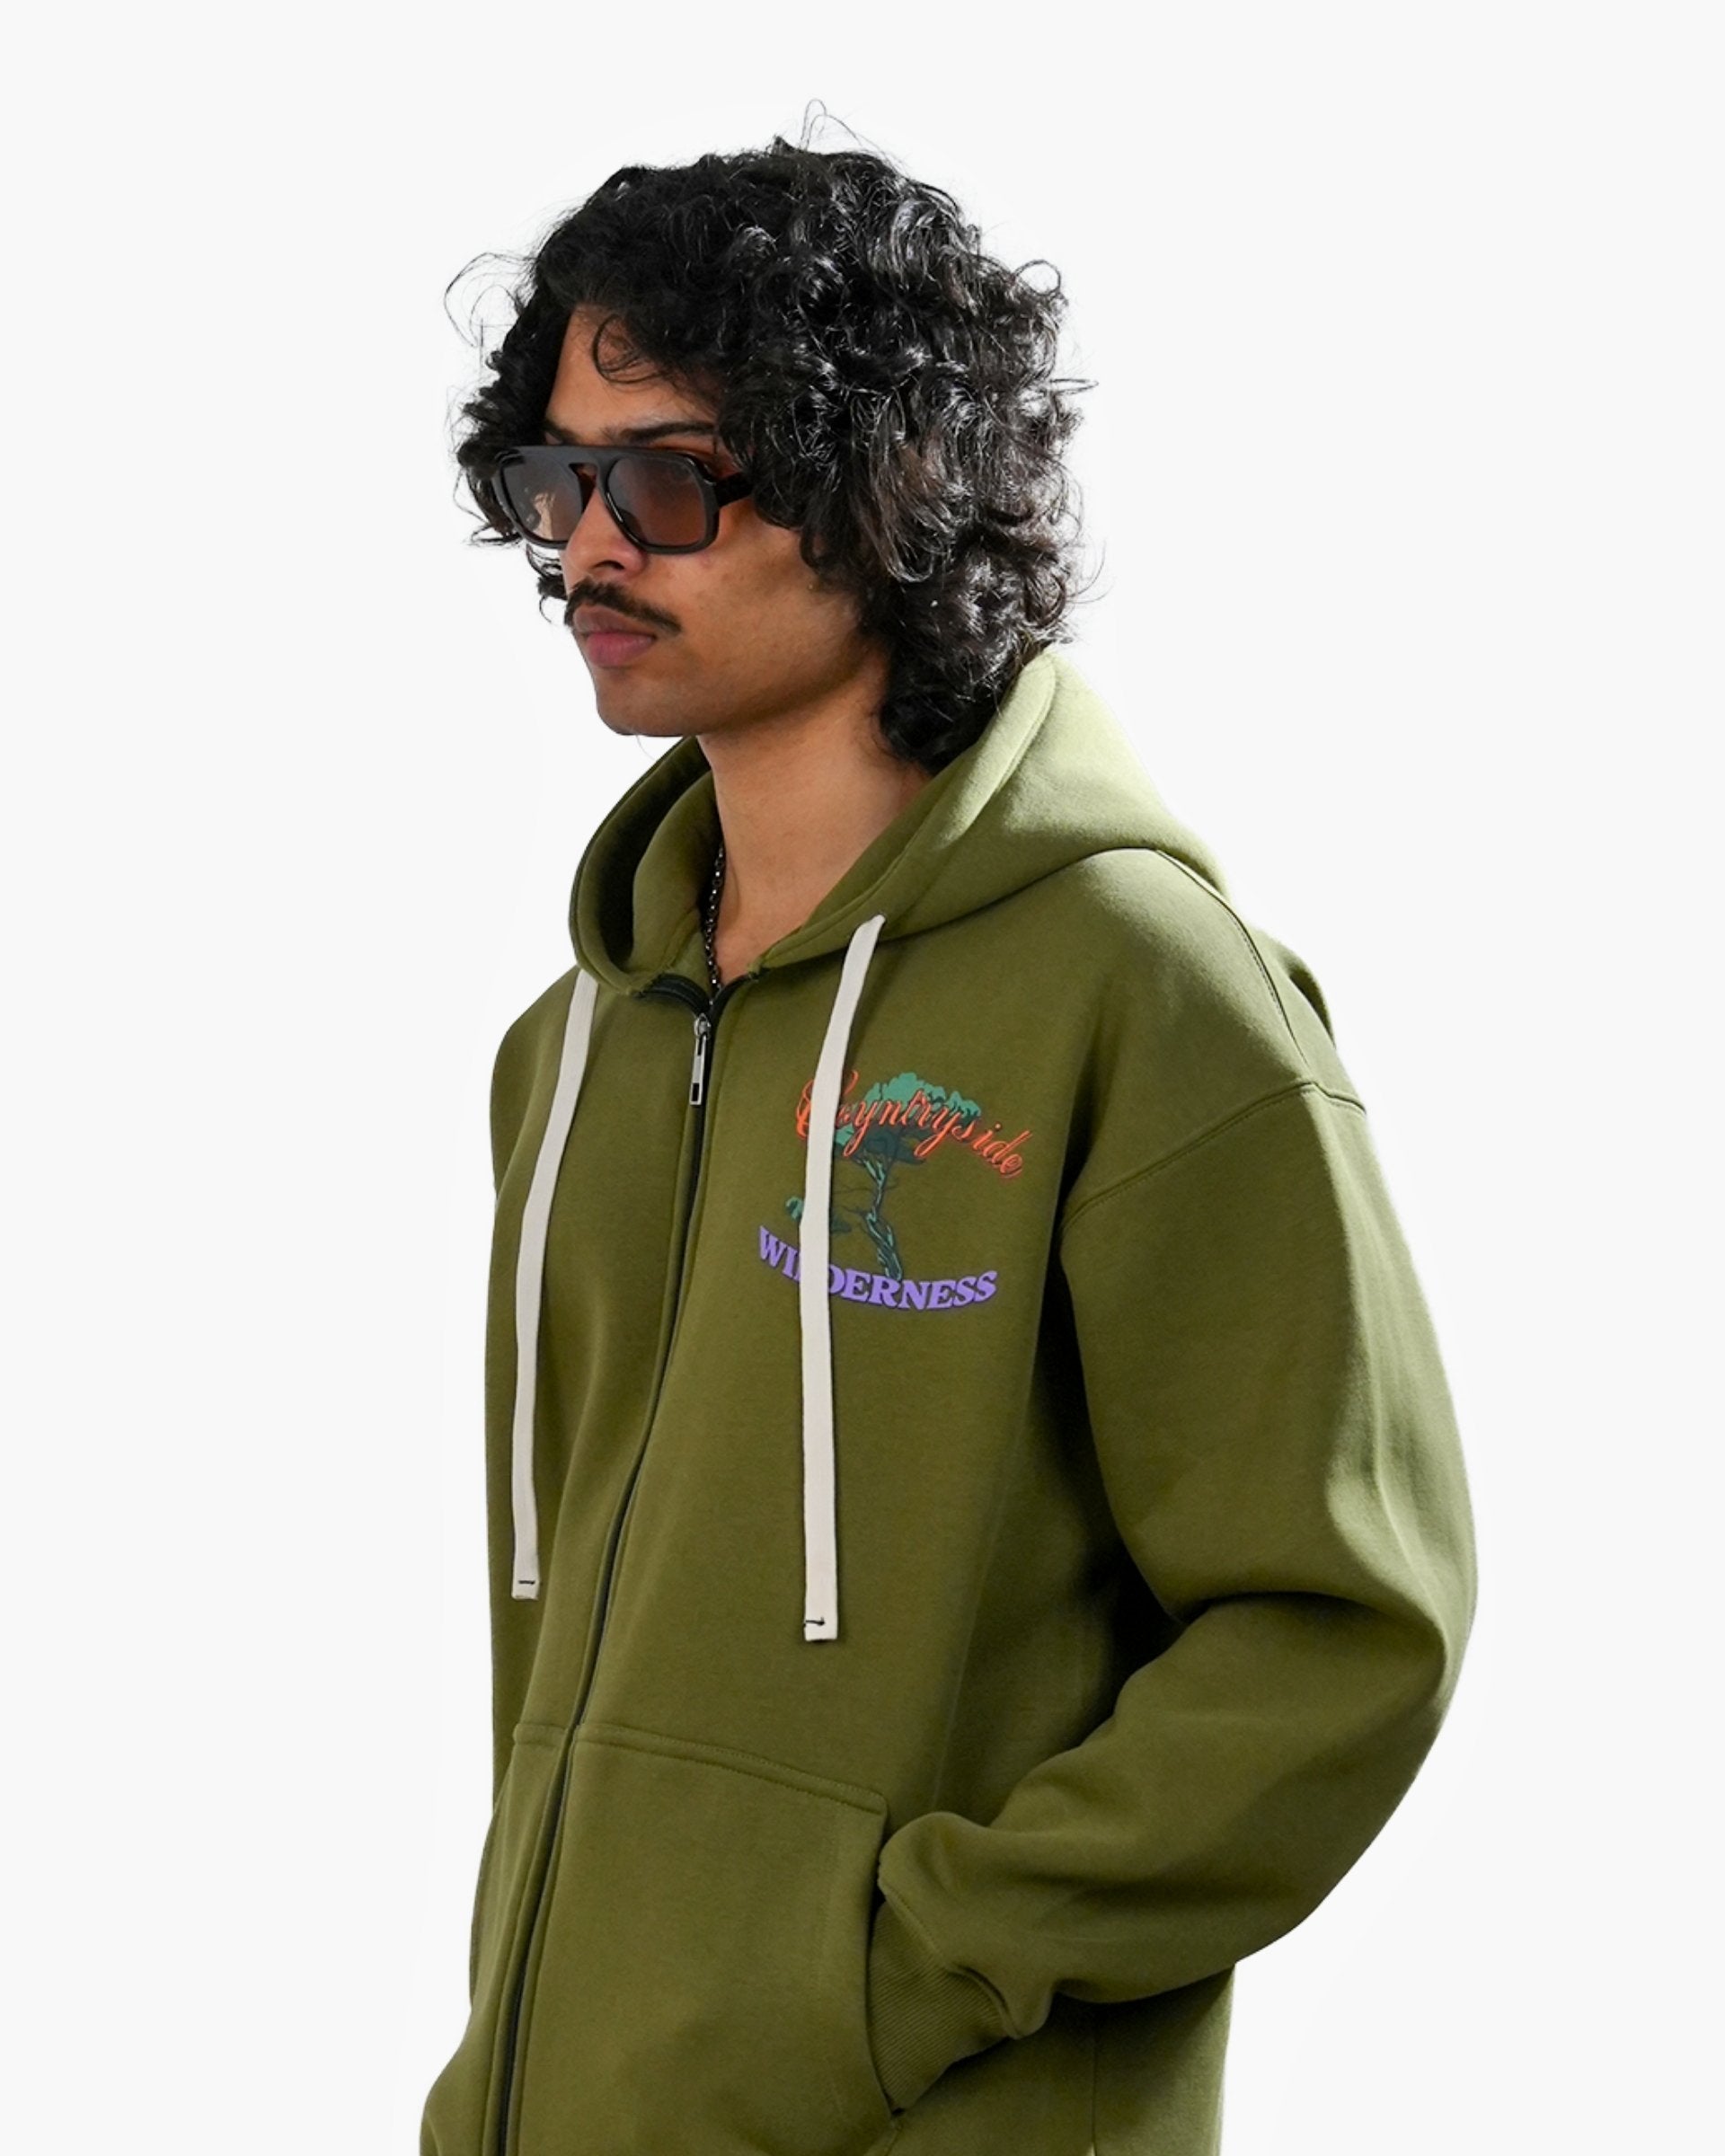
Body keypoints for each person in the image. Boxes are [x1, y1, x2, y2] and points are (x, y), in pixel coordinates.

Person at [419, 135, 1477, 2156]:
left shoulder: (1136, 985)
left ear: (879, 485)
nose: (590, 550)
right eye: (558, 482)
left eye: (666, 481)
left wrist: (904, 1982)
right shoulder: (572, 1053)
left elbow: (1343, 1630)